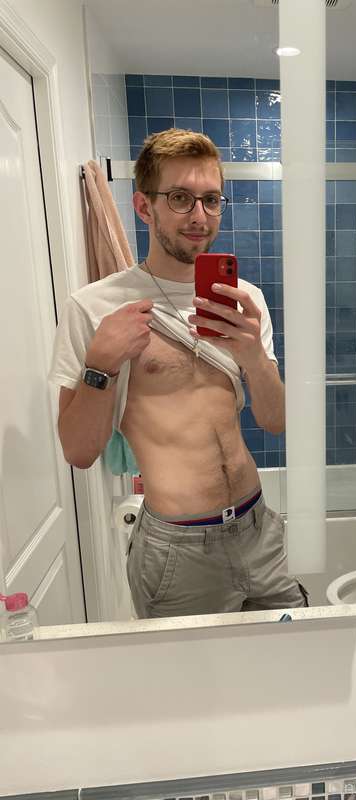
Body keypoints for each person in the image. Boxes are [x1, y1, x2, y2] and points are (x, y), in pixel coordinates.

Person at [49, 128, 308, 618]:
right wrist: (101, 364)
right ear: (144, 207)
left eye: (211, 200)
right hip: (178, 551)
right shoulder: (94, 308)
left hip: (258, 529)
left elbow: (276, 421)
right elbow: (79, 452)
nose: (199, 216)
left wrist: (252, 354)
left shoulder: (243, 300)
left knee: (293, 656)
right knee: (193, 672)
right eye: (180, 198)